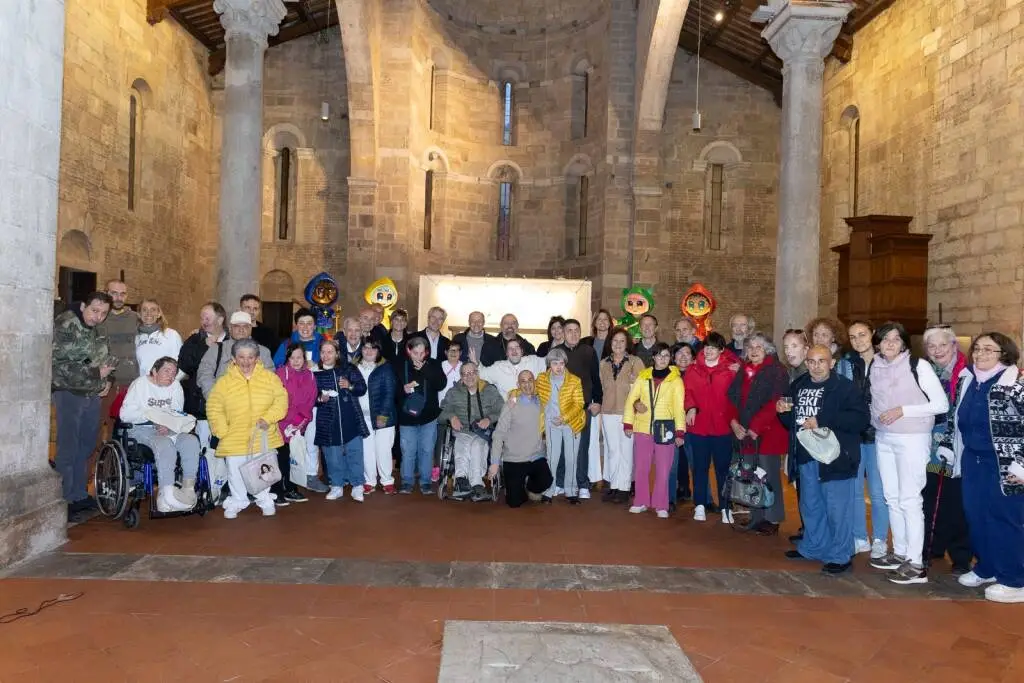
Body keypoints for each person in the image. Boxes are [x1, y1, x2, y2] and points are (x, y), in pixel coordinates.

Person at [937, 332, 1024, 602]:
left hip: (1004, 464)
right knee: (976, 516)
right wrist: (948, 446)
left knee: (1004, 519)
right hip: (972, 460)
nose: (980, 354)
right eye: (977, 349)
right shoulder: (969, 379)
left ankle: (1015, 580)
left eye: (989, 349)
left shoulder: (1016, 383)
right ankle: (988, 567)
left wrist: (1021, 465)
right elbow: (955, 417)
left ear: (1004, 354)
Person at [868, 321, 949, 585]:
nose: (890, 343)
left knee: (910, 499)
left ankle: (915, 563)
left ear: (904, 342)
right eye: (885, 338)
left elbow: (941, 404)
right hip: (884, 437)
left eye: (896, 338)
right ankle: (901, 552)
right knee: (892, 497)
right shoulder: (875, 366)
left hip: (912, 437)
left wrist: (903, 410)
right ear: (877, 343)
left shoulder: (918, 366)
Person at [778, 344, 870, 574]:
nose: (816, 366)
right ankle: (813, 547)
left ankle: (840, 556)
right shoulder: (798, 385)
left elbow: (861, 419)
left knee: (838, 509)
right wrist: (783, 412)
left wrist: (822, 420)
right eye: (811, 361)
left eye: (822, 361)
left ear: (832, 363)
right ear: (806, 363)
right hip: (806, 455)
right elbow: (792, 423)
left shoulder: (845, 387)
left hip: (835, 457)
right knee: (811, 506)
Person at [206, 339, 288, 519]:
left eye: (250, 357)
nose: (246, 361)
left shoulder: (270, 378)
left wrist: (268, 418)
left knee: (263, 471)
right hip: (233, 437)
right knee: (235, 473)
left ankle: (265, 500)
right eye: (241, 357)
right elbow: (214, 407)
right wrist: (222, 430)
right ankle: (238, 500)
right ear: (234, 359)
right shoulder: (223, 382)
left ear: (257, 358)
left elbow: (281, 400)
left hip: (262, 435)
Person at [52, 291, 115, 510]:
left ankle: (79, 494)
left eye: (104, 313)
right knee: (68, 447)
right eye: (94, 311)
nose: (98, 317)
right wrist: (96, 373)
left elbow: (107, 356)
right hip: (69, 393)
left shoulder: (99, 328)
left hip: (92, 395)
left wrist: (109, 380)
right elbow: (59, 365)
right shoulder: (66, 324)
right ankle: (64, 499)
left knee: (86, 445)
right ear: (83, 307)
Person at [119, 356, 201, 513]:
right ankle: (166, 493)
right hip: (142, 428)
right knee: (165, 444)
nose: (171, 376)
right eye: (166, 371)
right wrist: (154, 418)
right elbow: (125, 414)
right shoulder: (140, 385)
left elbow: (176, 413)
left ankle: (188, 489)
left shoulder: (175, 386)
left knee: (191, 441)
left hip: (168, 429)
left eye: (174, 373)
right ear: (154, 371)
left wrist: (169, 426)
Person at [726, 333, 789, 534]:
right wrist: (733, 422)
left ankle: (772, 518)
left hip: (767, 432)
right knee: (751, 475)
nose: (753, 351)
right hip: (744, 432)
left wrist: (755, 427)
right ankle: (756, 516)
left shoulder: (777, 370)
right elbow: (731, 398)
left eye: (758, 347)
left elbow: (776, 401)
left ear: (767, 350)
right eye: (750, 347)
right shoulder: (743, 370)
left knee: (768, 475)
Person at [921, 324, 971, 575]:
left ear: (954, 346)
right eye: (932, 346)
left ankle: (961, 556)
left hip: (957, 446)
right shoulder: (924, 372)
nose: (937, 350)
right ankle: (933, 546)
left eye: (943, 345)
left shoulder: (967, 373)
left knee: (956, 503)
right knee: (930, 498)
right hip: (929, 446)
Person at [623, 343, 686, 518]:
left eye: (666, 355)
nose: (662, 359)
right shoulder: (643, 377)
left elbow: (679, 408)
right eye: (659, 355)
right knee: (641, 468)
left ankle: (661, 504)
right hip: (643, 428)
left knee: (663, 469)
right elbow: (631, 400)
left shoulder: (676, 380)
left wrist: (680, 431)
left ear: (670, 358)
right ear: (653, 357)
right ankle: (640, 501)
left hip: (666, 430)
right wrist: (628, 423)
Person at [845, 320, 888, 560]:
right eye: (853, 337)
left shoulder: (886, 362)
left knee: (878, 491)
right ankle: (859, 537)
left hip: (879, 435)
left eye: (862, 334)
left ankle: (880, 538)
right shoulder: (847, 364)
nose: (858, 340)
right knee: (853, 490)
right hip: (854, 434)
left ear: (872, 334)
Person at [684, 332, 739, 523]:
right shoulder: (693, 369)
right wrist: (691, 407)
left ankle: (725, 507)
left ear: (721, 350)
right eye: (707, 347)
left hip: (722, 427)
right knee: (700, 467)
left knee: (723, 469)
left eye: (714, 348)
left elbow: (735, 397)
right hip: (699, 427)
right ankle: (700, 505)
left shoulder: (730, 370)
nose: (709, 351)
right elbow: (687, 392)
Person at [178, 302, 229, 499]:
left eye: (207, 317)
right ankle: (203, 484)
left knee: (224, 446)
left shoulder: (232, 340)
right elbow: (185, 364)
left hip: (227, 406)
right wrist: (204, 348)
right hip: (200, 405)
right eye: (202, 318)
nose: (203, 321)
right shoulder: (195, 340)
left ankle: (222, 484)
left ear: (220, 319)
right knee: (203, 446)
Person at [488, 370, 554, 507]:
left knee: (546, 481)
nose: (527, 384)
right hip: (514, 459)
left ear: (534, 383)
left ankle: (529, 485)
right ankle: (516, 487)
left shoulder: (541, 403)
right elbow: (499, 434)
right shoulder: (510, 405)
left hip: (535, 456)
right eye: (523, 381)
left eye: (530, 380)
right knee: (514, 502)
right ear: (518, 385)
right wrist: (494, 463)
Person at [313, 339, 369, 501]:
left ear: (337, 354)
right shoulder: (315, 373)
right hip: (327, 421)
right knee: (332, 456)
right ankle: (336, 485)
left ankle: (357, 486)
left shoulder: (348, 368)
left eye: (330, 352)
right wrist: (320, 399)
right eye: (323, 352)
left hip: (351, 418)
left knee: (355, 453)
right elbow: (311, 397)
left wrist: (350, 386)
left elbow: (362, 388)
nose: (326, 355)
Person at [440, 362, 505, 501]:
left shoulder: (489, 390)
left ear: (477, 373)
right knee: (461, 443)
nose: (469, 377)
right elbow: (441, 411)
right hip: (462, 430)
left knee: (477, 446)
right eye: (465, 374)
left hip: (482, 432)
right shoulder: (453, 392)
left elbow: (502, 410)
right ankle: (461, 480)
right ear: (461, 377)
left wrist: (489, 419)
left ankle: (476, 483)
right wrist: (451, 417)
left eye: (472, 373)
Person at [558, 319, 603, 499]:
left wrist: (597, 401)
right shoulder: (556, 352)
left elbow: (595, 379)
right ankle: (560, 482)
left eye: (577, 330)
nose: (573, 334)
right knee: (562, 447)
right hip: (562, 409)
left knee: (582, 448)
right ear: (563, 333)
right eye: (569, 330)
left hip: (583, 408)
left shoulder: (588, 351)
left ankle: (582, 483)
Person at [395, 336, 445, 494]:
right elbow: (393, 391)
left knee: (427, 450)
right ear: (408, 351)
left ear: (427, 352)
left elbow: (441, 384)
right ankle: (407, 482)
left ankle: (425, 482)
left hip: (428, 416)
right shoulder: (399, 365)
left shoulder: (434, 364)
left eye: (422, 353)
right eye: (415, 353)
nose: (418, 356)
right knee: (408, 451)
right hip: (407, 417)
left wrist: (424, 369)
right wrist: (403, 389)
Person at [599, 328, 644, 503]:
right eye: (615, 341)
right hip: (608, 412)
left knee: (626, 451)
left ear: (627, 344)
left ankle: (624, 487)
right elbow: (601, 387)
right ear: (610, 343)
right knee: (612, 450)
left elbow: (643, 387)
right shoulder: (603, 363)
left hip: (627, 413)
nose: (618, 344)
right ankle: (614, 485)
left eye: (622, 341)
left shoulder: (635, 362)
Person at [536, 348, 586, 503]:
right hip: (551, 423)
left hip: (571, 423)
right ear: (549, 364)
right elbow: (531, 393)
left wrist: (564, 418)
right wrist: (514, 395)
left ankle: (571, 491)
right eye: (554, 363)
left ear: (565, 363)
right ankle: (548, 490)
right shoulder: (541, 379)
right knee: (552, 458)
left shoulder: (574, 380)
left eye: (561, 363)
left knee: (571, 459)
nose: (558, 367)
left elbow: (579, 404)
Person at [273, 343, 315, 506]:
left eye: (299, 357)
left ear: (304, 358)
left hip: (298, 425)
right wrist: (284, 422)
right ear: (287, 359)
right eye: (292, 358)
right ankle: (277, 490)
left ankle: (291, 489)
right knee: (280, 458)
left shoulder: (310, 376)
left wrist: (299, 424)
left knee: (295, 458)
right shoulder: (280, 374)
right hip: (280, 424)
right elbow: (276, 400)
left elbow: (309, 402)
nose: (296, 361)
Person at [355, 338, 397, 494]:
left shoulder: (385, 368)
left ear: (378, 351)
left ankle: (387, 481)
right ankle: (369, 481)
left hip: (382, 417)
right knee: (367, 451)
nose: (369, 351)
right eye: (366, 347)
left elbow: (389, 393)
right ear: (361, 350)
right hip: (363, 417)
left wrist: (383, 416)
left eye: (373, 348)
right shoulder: (354, 367)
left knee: (383, 450)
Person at [198, 311, 274, 397]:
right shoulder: (216, 349)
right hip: (222, 400)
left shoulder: (263, 352)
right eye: (237, 326)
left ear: (250, 329)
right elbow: (204, 374)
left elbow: (270, 379)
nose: (241, 330)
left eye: (245, 326)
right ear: (230, 328)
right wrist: (215, 398)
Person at [97, 280, 138, 436]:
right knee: (97, 427)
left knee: (123, 431)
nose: (118, 298)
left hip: (131, 384)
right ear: (105, 293)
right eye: (114, 293)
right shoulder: (99, 318)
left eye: (122, 294)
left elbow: (157, 329)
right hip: (105, 384)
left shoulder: (136, 318)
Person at [668, 343, 697, 508]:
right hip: (672, 424)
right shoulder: (668, 375)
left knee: (697, 465)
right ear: (673, 357)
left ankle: (704, 500)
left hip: (693, 425)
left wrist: (693, 408)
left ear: (693, 358)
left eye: (687, 353)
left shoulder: (699, 374)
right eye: (679, 353)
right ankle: (669, 499)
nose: (683, 356)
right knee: (671, 465)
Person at [479, 338, 546, 399]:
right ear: (507, 353)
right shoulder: (498, 367)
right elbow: (481, 373)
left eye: (517, 347)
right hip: (508, 407)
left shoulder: (533, 361)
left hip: (533, 406)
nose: (514, 350)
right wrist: (476, 362)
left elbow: (549, 360)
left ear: (522, 351)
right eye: (510, 348)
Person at [135, 298, 183, 378]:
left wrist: (172, 381)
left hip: (166, 383)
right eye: (144, 310)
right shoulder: (136, 338)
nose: (148, 313)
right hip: (143, 383)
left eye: (153, 310)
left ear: (159, 314)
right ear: (139, 314)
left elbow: (182, 363)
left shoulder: (171, 334)